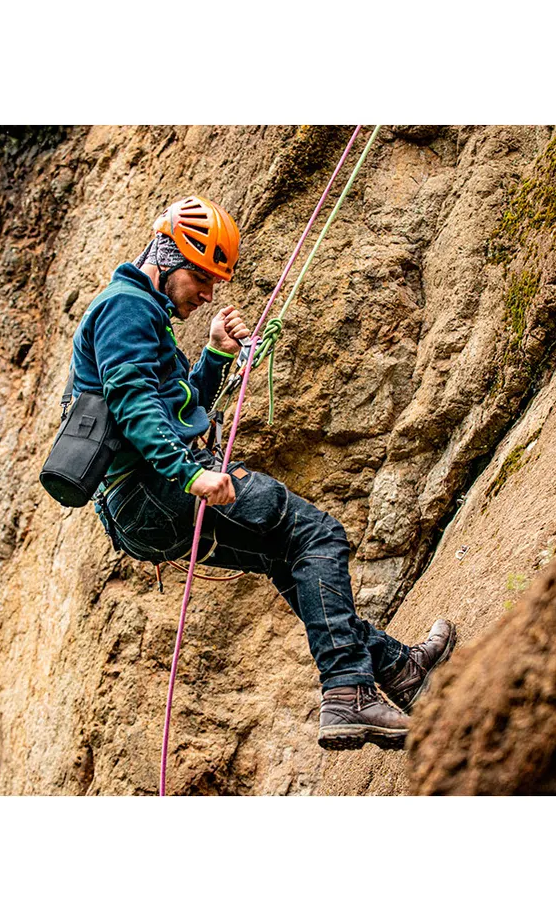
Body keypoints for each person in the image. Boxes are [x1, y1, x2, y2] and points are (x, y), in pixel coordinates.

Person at [71, 195, 456, 750]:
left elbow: (174, 408)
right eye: (202, 277)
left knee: (288, 558)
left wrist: (215, 356)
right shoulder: (126, 306)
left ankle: (400, 670)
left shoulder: (140, 314)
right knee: (317, 535)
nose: (208, 293)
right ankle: (348, 693)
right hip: (157, 488)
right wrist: (189, 473)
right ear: (166, 255)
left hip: (141, 507)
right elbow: (132, 402)